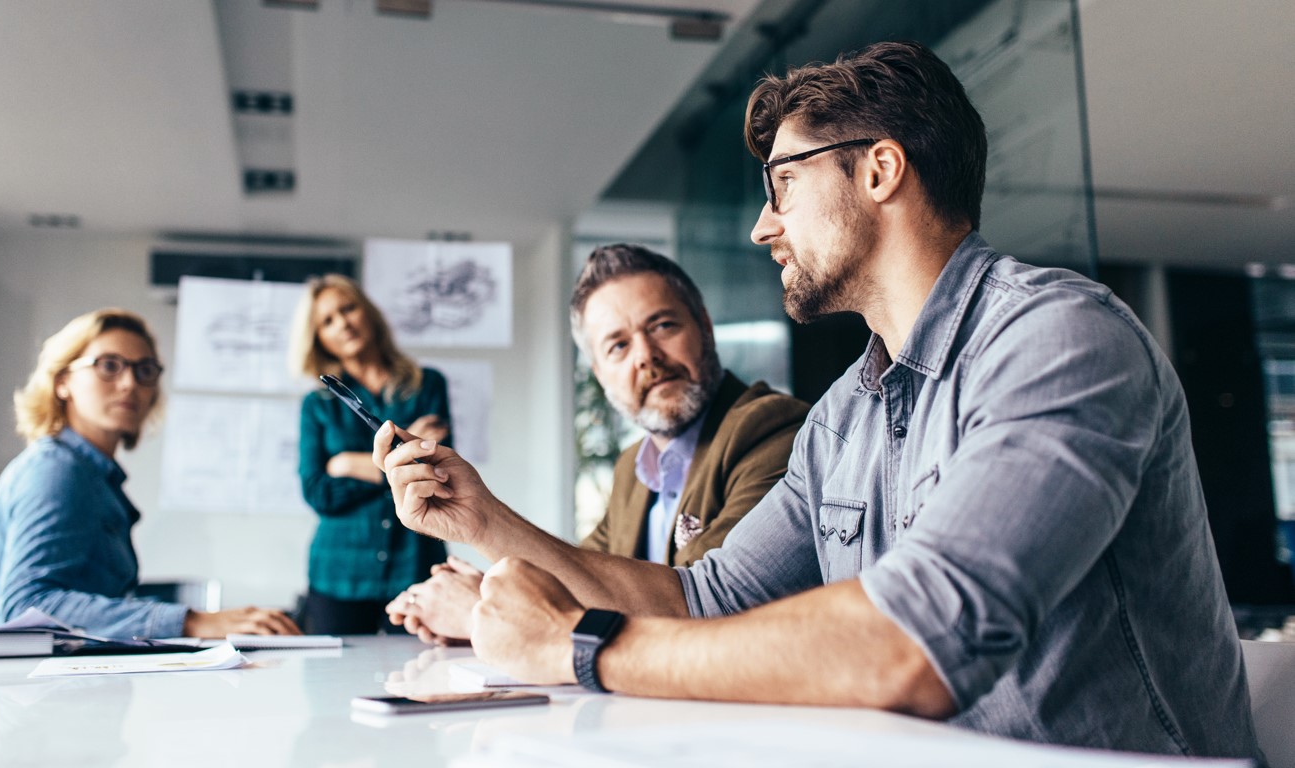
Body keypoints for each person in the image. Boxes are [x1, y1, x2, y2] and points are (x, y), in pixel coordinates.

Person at [374, 40, 1260, 759]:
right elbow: (703, 599)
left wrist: (578, 646)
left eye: (784, 183)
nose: (764, 224)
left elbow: (916, 641)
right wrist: (483, 522)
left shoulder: (1060, 339)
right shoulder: (844, 416)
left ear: (880, 171)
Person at [385, 245, 809, 642]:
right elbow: (581, 579)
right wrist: (493, 587)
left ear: (704, 326)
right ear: (599, 373)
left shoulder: (772, 430)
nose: (646, 355)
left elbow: (699, 610)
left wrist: (483, 609)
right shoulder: (633, 468)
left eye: (662, 326)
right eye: (618, 346)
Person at [0, 308, 300, 638]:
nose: (130, 384)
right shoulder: (56, 470)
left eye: (144, 371)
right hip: (22, 686)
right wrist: (191, 621)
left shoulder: (93, 476)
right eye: (108, 366)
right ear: (63, 381)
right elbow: (27, 606)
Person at [291, 274, 452, 634]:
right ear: (318, 338)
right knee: (331, 686)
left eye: (348, 309)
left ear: (368, 313)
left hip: (414, 565)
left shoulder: (428, 386)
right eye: (327, 321)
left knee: (422, 677)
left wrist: (347, 464)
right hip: (339, 573)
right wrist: (398, 464)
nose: (343, 323)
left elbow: (436, 474)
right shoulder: (317, 406)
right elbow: (318, 491)